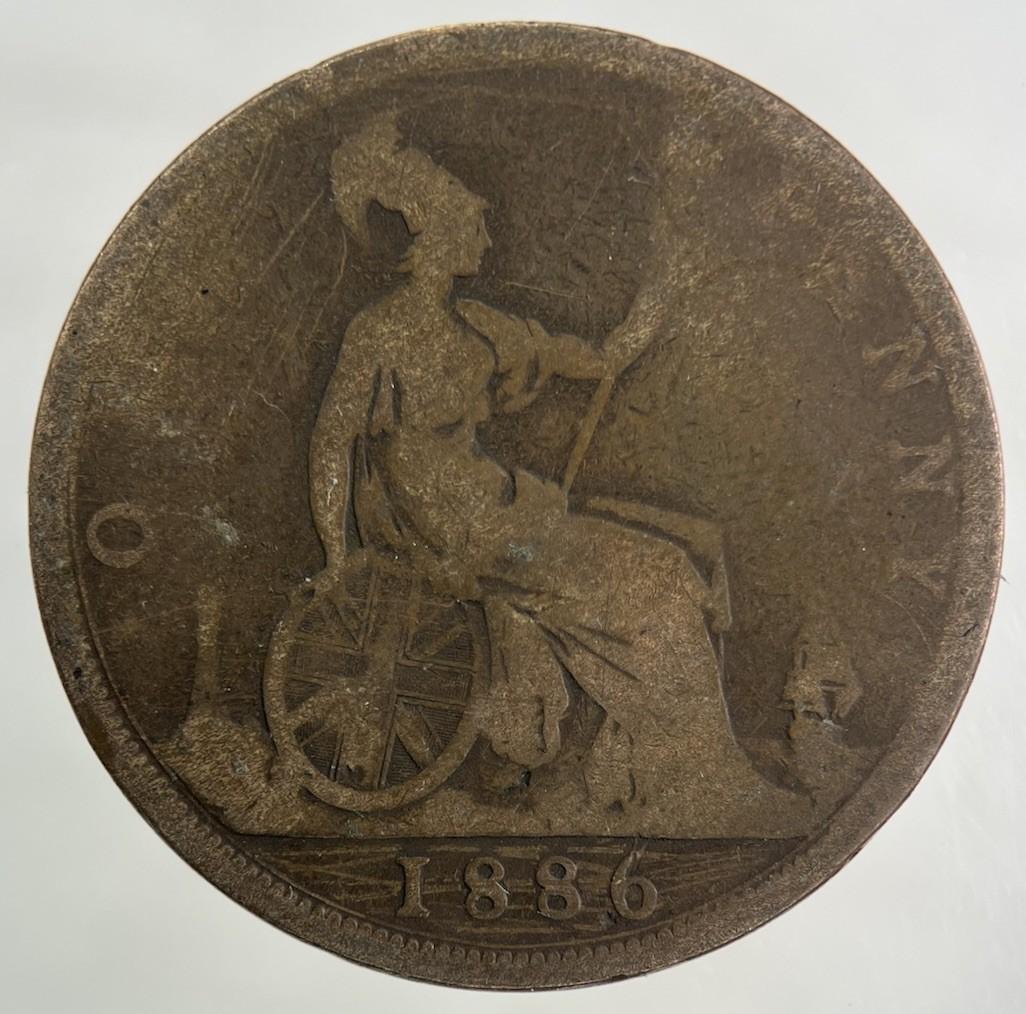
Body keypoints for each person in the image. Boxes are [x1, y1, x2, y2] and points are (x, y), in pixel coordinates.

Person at [309, 115, 810, 831]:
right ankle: (703, 788)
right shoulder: (380, 333)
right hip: (454, 533)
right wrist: (334, 555)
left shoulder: (479, 326)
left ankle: (653, 771)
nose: (487, 236)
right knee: (659, 578)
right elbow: (332, 440)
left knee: (678, 556)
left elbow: (594, 360)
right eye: (474, 222)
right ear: (436, 233)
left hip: (499, 515)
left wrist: (651, 310)